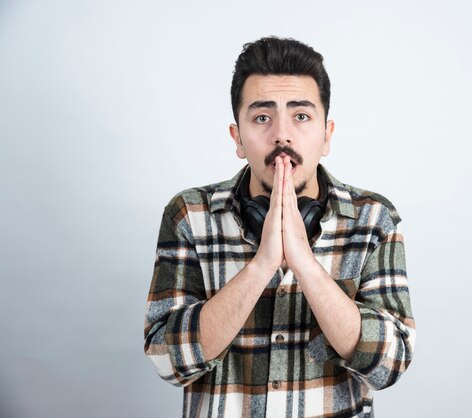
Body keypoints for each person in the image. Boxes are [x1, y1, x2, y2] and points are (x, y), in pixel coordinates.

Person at [144, 36, 415, 418]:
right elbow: (166, 361)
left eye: (301, 116)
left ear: (327, 135)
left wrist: (304, 263)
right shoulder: (188, 215)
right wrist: (261, 265)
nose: (282, 135)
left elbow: (390, 364)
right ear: (238, 138)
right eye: (261, 118)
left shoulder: (374, 219)